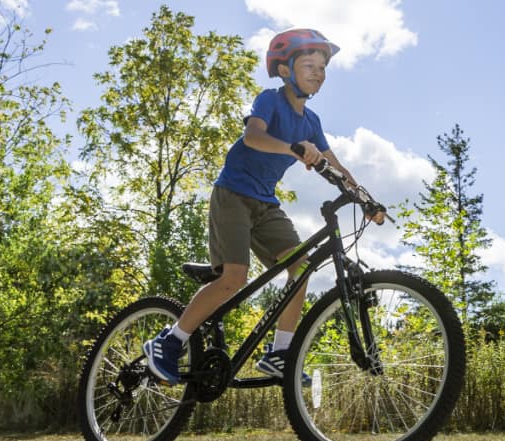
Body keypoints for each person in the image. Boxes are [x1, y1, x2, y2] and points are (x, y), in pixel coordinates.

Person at [142, 28, 358, 386]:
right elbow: (252, 137)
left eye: (323, 67)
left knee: (299, 268)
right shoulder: (271, 100)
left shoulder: (312, 122)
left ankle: (279, 353)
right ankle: (170, 340)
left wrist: (363, 196)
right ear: (286, 70)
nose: (319, 72)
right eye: (310, 65)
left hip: (265, 204)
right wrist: (294, 149)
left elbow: (335, 166)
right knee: (234, 277)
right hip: (233, 195)